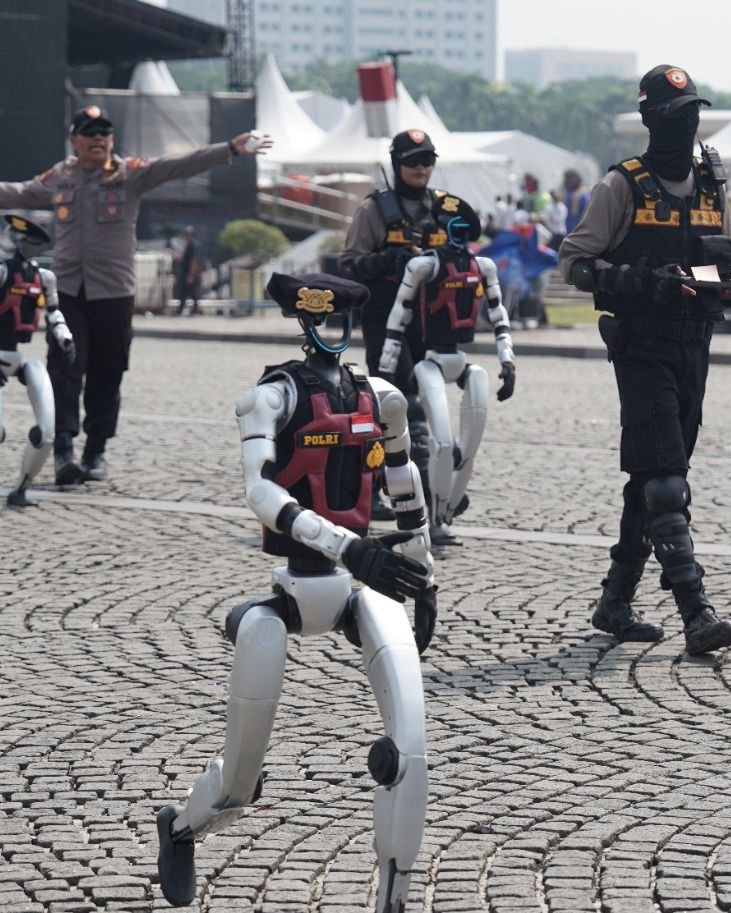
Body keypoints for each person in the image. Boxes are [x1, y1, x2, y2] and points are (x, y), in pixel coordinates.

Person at [154, 272, 434, 911]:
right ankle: (180, 827)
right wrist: (347, 546)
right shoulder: (271, 398)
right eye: (319, 318)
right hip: (289, 595)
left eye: (340, 318)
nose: (331, 330)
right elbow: (260, 491)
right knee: (240, 780)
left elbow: (403, 477)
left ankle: (394, 894)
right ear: (302, 323)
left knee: (409, 749)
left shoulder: (380, 397)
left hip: (355, 590)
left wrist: (423, 572)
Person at [559, 64, 731, 656]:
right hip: (641, 346)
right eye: (673, 115)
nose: (685, 124)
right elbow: (575, 262)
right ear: (650, 120)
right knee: (666, 483)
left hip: (696, 345)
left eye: (692, 113)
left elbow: (730, 252)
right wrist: (643, 281)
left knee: (653, 476)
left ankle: (615, 601)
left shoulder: (713, 183)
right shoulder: (622, 185)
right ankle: (697, 612)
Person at [0, 106, 271, 485]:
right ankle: (63, 446)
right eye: (90, 132)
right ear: (74, 139)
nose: (98, 138)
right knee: (64, 365)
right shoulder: (61, 175)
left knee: (108, 370)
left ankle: (95, 449)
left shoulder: (130, 173)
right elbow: (27, 192)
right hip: (67, 290)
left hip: (113, 291)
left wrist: (230, 148)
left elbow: (179, 165)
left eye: (105, 132)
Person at [380, 195, 515, 546]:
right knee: (441, 443)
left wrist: (507, 360)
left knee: (468, 446)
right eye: (450, 228)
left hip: (463, 361)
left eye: (462, 229)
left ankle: (448, 510)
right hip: (431, 361)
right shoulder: (424, 266)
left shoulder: (482, 266)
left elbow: (499, 316)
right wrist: (385, 371)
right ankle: (432, 515)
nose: (456, 236)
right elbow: (398, 317)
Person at [338, 129, 448, 522]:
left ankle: (411, 487)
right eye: (413, 161)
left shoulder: (443, 207)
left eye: (427, 160)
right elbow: (348, 265)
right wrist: (389, 259)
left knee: (430, 407)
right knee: (395, 405)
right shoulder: (374, 210)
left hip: (431, 322)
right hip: (386, 324)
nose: (421, 168)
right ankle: (399, 496)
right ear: (396, 164)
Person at [0, 215, 76, 507]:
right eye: (28, 241)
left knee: (46, 432)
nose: (32, 247)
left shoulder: (44, 277)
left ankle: (20, 489)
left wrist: (65, 339)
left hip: (21, 358)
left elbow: (54, 313)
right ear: (17, 240)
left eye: (37, 243)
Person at [174, 226, 201, 315]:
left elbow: (194, 261)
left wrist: (191, 275)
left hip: (190, 273)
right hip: (185, 273)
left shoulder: (194, 246)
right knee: (183, 292)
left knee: (192, 293)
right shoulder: (188, 246)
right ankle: (181, 309)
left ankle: (194, 310)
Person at [561, 168, 590, 236]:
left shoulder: (584, 195)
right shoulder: (565, 194)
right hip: (565, 232)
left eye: (570, 179)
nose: (567, 181)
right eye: (567, 178)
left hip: (579, 232)